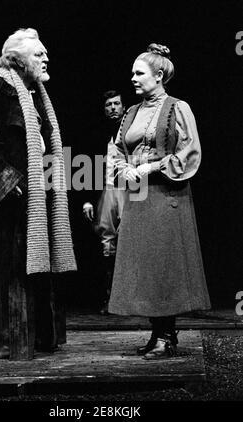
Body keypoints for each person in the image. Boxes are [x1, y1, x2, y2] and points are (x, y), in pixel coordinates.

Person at [0, 28, 77, 359]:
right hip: (4, 207)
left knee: (36, 272)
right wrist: (14, 186)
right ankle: (3, 340)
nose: (45, 58)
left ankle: (40, 335)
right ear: (17, 59)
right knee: (3, 273)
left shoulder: (36, 94)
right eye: (38, 53)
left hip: (37, 200)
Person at [108, 43, 211, 359]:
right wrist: (123, 167)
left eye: (139, 73)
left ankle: (167, 335)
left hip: (167, 196)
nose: (133, 79)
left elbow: (189, 153)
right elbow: (116, 150)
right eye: (132, 73)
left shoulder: (178, 108)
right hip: (138, 197)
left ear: (159, 75)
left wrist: (152, 167)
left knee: (164, 266)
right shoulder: (131, 112)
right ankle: (158, 333)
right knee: (146, 268)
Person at [83, 90, 126, 314]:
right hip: (107, 190)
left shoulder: (133, 130)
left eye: (116, 104)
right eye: (108, 104)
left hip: (132, 190)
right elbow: (86, 165)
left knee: (130, 240)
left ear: (123, 106)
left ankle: (130, 299)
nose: (112, 108)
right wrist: (87, 200)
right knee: (106, 243)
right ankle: (108, 298)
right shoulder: (97, 134)